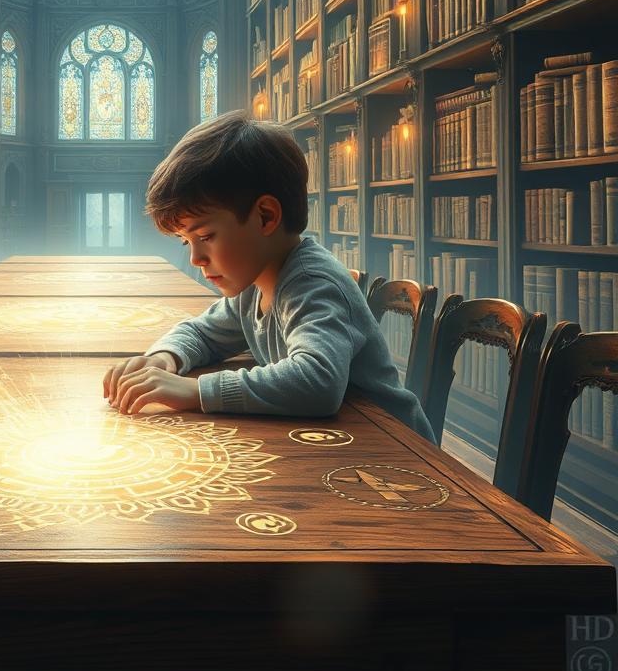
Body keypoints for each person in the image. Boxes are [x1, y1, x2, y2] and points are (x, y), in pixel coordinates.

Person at [102, 110, 435, 442]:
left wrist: (195, 391)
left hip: (398, 450)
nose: (196, 258)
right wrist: (165, 359)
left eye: (205, 237)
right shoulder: (255, 284)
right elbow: (203, 334)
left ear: (265, 216)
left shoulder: (314, 284)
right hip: (339, 441)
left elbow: (317, 381)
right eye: (187, 241)